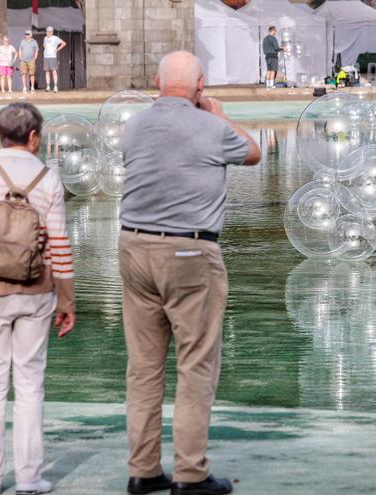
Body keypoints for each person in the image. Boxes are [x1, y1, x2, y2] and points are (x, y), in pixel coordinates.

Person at [119, 50, 260, 495]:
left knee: (143, 369)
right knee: (195, 365)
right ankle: (190, 473)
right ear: (200, 86)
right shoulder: (210, 126)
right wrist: (220, 114)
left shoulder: (134, 125)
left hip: (133, 247)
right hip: (189, 253)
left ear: (158, 83)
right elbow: (253, 153)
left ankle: (143, 471)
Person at [0, 102, 76, 495]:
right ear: (34, 137)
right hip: (36, 293)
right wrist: (67, 300)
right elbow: (59, 244)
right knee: (30, 384)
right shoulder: (49, 178)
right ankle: (28, 479)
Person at [42, 27, 66, 93]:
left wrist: (57, 50)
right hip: (46, 57)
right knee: (47, 71)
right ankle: (48, 86)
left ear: (52, 32)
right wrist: (47, 50)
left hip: (52, 57)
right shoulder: (45, 38)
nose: (48, 33)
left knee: (54, 71)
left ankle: (55, 86)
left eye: (50, 31)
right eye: (47, 31)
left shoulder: (55, 38)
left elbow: (64, 43)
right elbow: (44, 45)